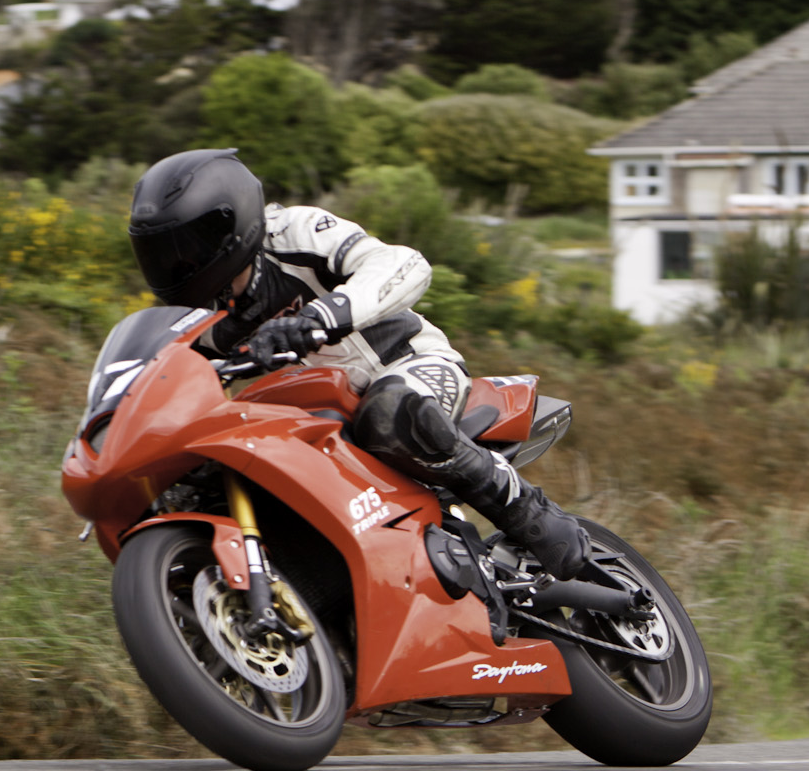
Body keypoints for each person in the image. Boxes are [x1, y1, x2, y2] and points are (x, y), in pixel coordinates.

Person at [127, 147, 588, 580]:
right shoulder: (196, 319)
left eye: (189, 247)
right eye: (163, 255)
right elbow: (167, 379)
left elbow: (402, 264)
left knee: (390, 414)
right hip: (312, 421)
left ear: (232, 225)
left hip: (407, 365)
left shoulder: (293, 233)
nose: (178, 264)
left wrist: (320, 317)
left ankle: (529, 513)